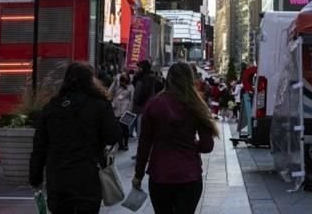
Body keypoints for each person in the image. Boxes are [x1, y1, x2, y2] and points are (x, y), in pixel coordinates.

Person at [29, 62, 123, 214]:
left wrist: (35, 178)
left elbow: (39, 147)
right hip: (87, 178)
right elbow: (112, 137)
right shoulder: (100, 105)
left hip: (58, 179)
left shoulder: (51, 107)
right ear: (90, 81)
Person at [133, 62, 218, 214]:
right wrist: (191, 145)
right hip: (189, 175)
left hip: (160, 175)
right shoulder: (196, 105)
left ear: (168, 79)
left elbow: (144, 144)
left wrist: (138, 175)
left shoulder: (154, 104)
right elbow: (207, 146)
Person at [111, 74, 133, 151]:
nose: (123, 83)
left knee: (125, 128)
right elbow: (109, 93)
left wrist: (130, 111)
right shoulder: (116, 86)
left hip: (126, 110)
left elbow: (132, 99)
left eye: (125, 81)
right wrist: (114, 83)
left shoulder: (130, 87)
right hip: (116, 110)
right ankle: (120, 144)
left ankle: (126, 144)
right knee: (117, 128)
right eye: (122, 81)